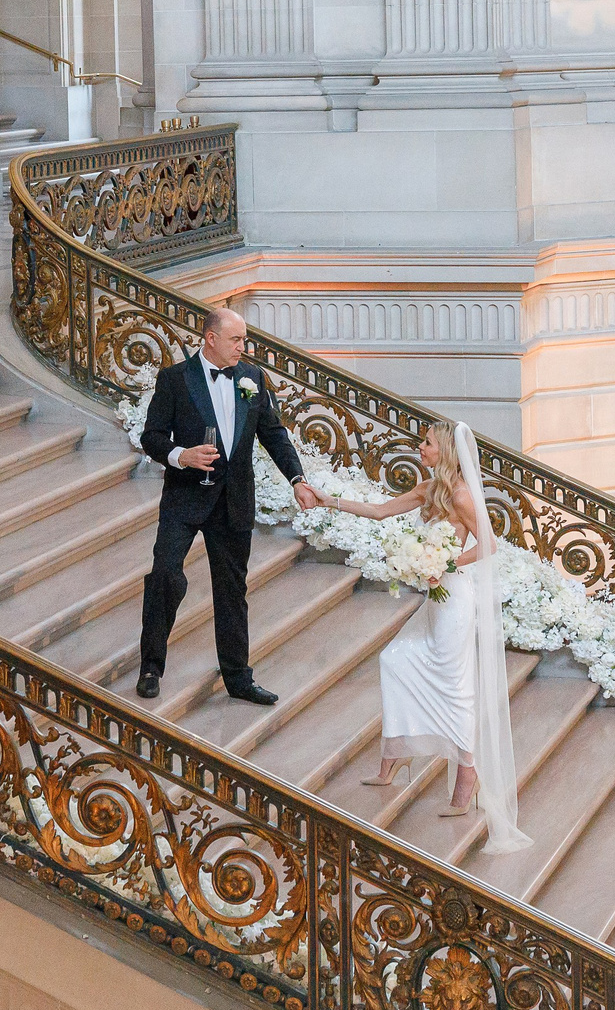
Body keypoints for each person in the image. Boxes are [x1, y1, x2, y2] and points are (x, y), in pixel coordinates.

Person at [316, 421, 530, 854]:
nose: (420, 447)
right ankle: (396, 754)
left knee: (454, 688)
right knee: (395, 660)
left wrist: (449, 564)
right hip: (436, 600)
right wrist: (330, 501)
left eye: (427, 443)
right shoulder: (430, 488)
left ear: (445, 450)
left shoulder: (462, 496)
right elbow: (380, 511)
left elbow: (488, 544)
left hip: (455, 602)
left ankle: (466, 772)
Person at [136, 307, 321, 704]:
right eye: (236, 339)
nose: (243, 346)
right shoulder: (174, 380)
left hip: (232, 500)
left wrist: (298, 480)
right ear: (211, 339)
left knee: (232, 590)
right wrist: (180, 455)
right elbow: (151, 437)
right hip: (185, 497)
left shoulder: (252, 379)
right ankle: (151, 665)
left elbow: (273, 434)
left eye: (244, 339)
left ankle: (238, 678)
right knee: (166, 575)